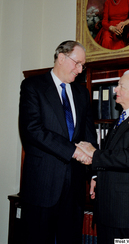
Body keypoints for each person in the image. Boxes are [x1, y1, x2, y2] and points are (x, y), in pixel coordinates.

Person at [19, 40, 97, 244]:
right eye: (77, 63)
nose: (80, 70)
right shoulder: (33, 86)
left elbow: (89, 136)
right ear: (61, 58)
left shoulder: (82, 93)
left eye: (83, 65)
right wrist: (73, 151)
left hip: (75, 188)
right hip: (42, 186)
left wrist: (95, 170)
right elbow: (32, 130)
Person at [76, 69, 129, 243]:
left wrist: (94, 153)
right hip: (108, 210)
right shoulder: (121, 120)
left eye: (121, 85)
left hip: (127, 213)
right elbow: (112, 156)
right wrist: (96, 175)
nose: (115, 90)